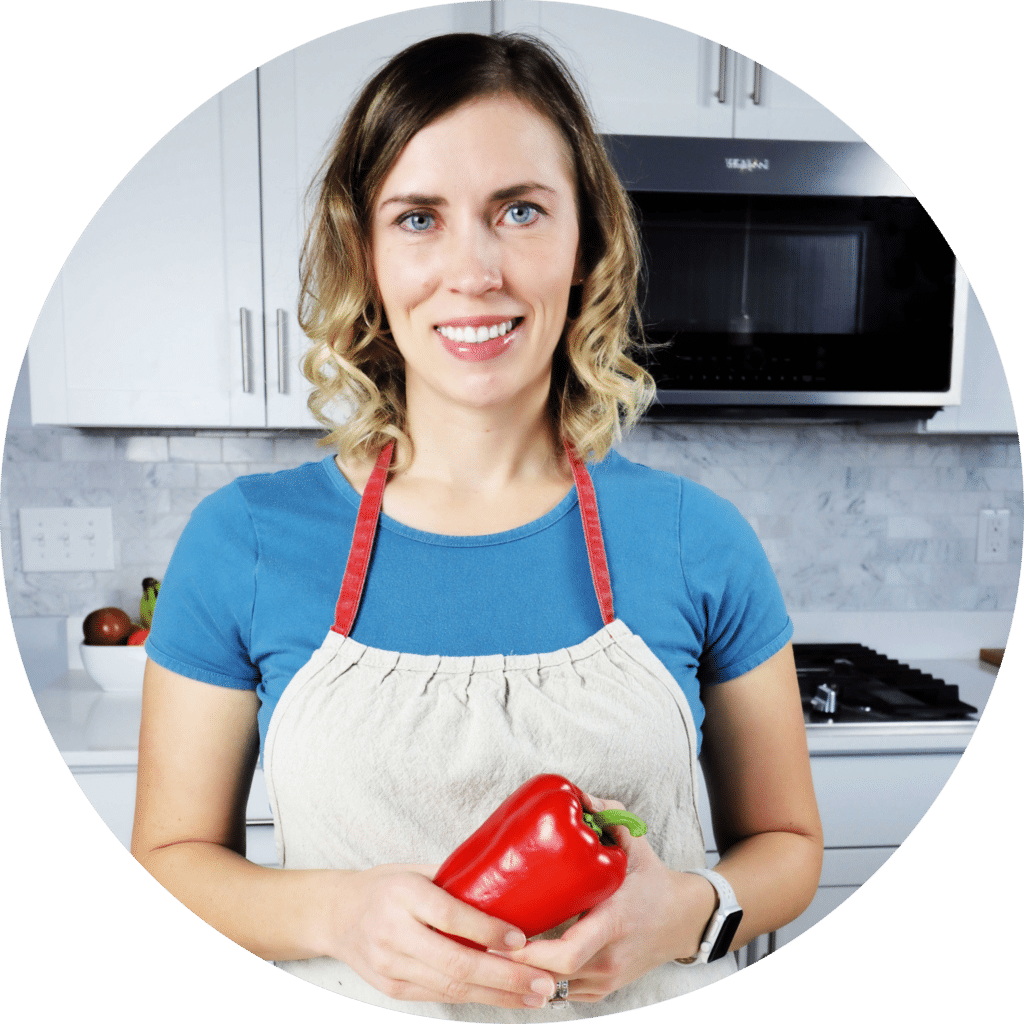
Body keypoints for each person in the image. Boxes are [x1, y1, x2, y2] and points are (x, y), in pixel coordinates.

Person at [132, 32, 822, 1021]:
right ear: (365, 257)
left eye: (521, 211)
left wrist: (683, 911)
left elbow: (789, 845)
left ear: (586, 245)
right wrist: (336, 911)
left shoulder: (697, 536)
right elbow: (166, 863)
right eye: (418, 217)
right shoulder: (240, 536)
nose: (474, 269)